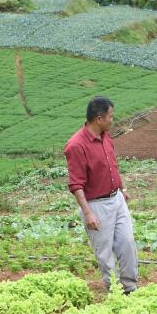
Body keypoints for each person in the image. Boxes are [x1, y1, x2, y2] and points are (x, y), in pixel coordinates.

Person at [64, 96, 138, 293]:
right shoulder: (76, 146)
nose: (112, 120)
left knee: (127, 242)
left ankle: (130, 286)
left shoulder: (106, 137)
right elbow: (76, 184)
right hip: (97, 204)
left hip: (117, 199)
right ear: (99, 119)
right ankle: (115, 290)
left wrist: (122, 189)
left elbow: (112, 165)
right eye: (110, 117)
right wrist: (88, 213)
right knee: (105, 253)